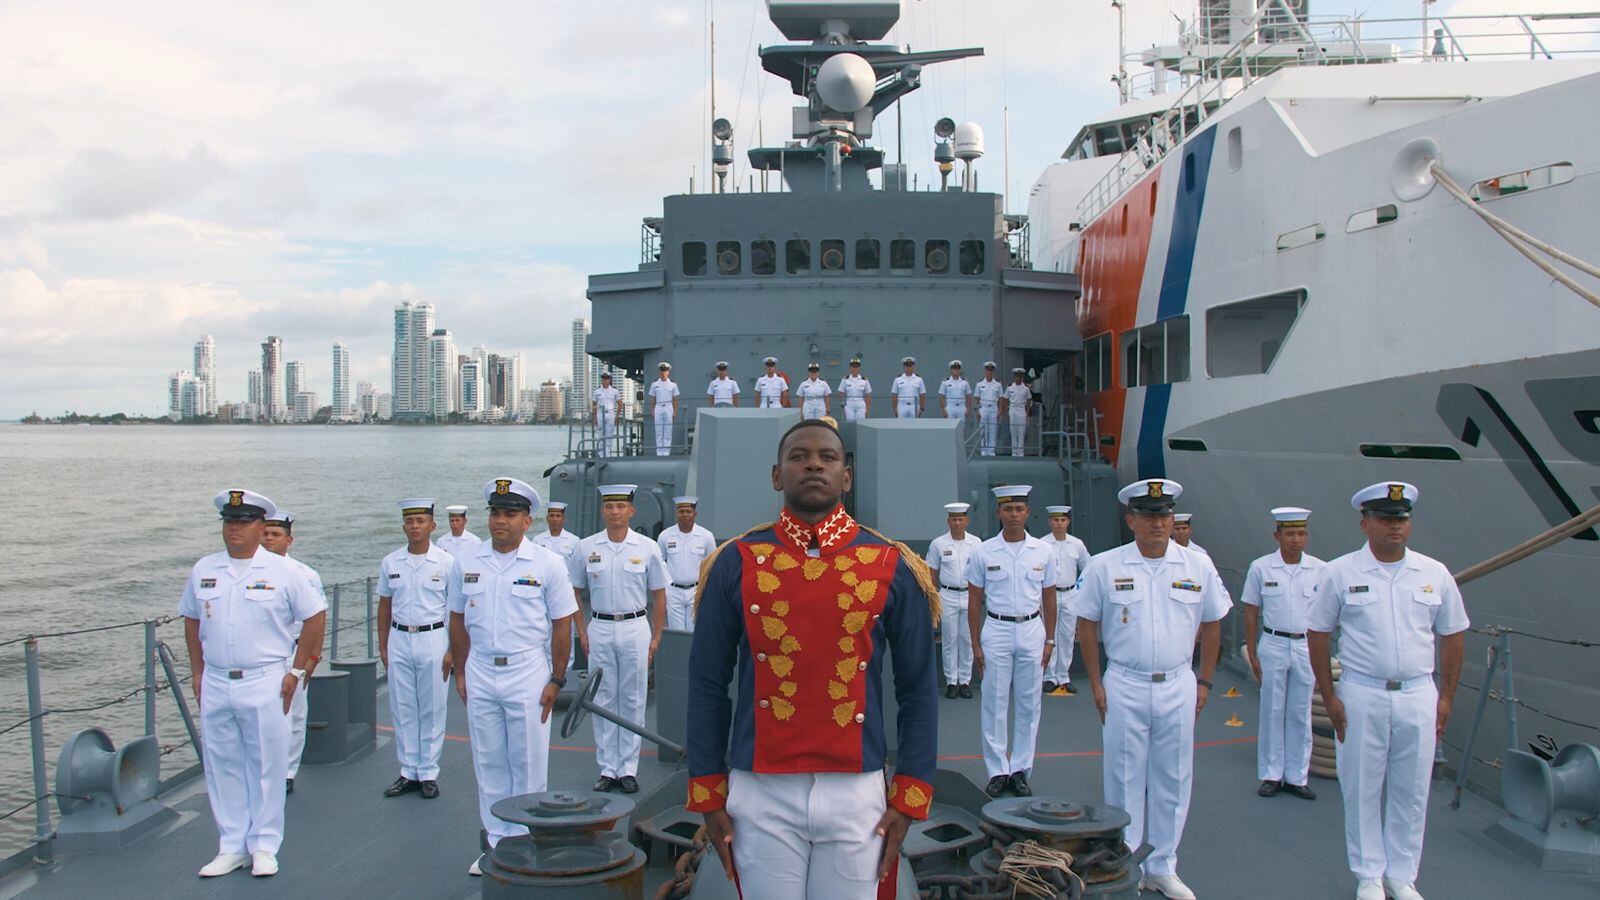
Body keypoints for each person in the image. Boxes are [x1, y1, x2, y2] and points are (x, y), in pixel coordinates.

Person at [687, 419, 940, 899]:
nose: (813, 465)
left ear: (847, 477)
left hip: (857, 790)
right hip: (760, 787)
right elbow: (706, 683)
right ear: (776, 475)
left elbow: (918, 688)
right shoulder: (736, 562)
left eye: (828, 457)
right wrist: (708, 788)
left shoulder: (891, 564)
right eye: (799, 456)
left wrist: (910, 793)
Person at [1070, 478, 1230, 900]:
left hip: (1178, 682)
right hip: (1125, 682)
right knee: (1123, 776)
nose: (1157, 523)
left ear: (1173, 519)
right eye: (1147, 515)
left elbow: (1213, 623)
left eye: (1164, 515)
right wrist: (1096, 682)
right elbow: (1086, 625)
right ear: (1131, 520)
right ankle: (1126, 865)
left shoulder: (1197, 565)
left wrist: (1205, 681)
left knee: (1173, 777)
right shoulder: (1105, 566)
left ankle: (1162, 865)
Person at [1308, 482, 1467, 900]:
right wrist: (1329, 695)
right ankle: (1368, 874)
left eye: (1401, 519)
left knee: (1412, 789)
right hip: (1363, 692)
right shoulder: (1340, 573)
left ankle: (1402, 875)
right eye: (1384, 519)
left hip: (1418, 693)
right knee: (1361, 785)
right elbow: (1318, 632)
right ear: (1365, 524)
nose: (1395, 526)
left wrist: (1446, 697)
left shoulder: (1434, 573)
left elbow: (1453, 634)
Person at [181, 489, 326, 878]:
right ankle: (231, 845)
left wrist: (298, 671)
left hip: (265, 679)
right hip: (217, 680)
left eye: (243, 522)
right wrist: (197, 672)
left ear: (261, 528)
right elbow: (191, 620)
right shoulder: (205, 569)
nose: (234, 529)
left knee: (266, 764)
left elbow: (314, 617)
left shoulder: (285, 572)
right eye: (229, 522)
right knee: (222, 764)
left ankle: (264, 845)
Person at [447, 477, 578, 877]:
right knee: (488, 762)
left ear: (526, 520)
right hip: (481, 668)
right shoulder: (466, 562)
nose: (499, 521)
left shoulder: (547, 564)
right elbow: (457, 618)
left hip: (527, 670)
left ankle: (527, 842)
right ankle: (497, 844)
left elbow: (562, 624)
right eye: (495, 513)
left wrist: (557, 679)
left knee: (527, 763)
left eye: (509, 514)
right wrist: (461, 670)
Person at [569, 484, 669, 794]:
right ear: (603, 510)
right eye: (609, 506)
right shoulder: (586, 547)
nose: (615, 512)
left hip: (635, 627)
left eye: (621, 506)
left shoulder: (647, 547)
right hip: (599, 626)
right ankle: (607, 768)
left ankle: (627, 768)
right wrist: (581, 630)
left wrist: (656, 636)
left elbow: (659, 594)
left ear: (631, 511)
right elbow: (573, 590)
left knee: (633, 697)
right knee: (603, 697)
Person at [967, 485, 1058, 798]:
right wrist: (975, 644)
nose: (1014, 515)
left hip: (1032, 629)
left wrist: (1050, 640)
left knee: (1029, 702)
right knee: (994, 701)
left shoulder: (1043, 552)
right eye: (1008, 509)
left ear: (1028, 512)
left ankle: (1020, 769)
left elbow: (1049, 598)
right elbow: (974, 600)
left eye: (1019, 509)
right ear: (998, 513)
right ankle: (997, 770)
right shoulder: (983, 552)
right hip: (997, 629)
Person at [1242, 506, 1324, 801]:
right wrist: (1252, 652)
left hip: (1305, 645)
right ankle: (1271, 774)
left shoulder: (1321, 570)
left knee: (1301, 712)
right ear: (1277, 536)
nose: (1296, 540)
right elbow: (1250, 611)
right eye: (1290, 534)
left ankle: (1297, 776)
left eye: (1301, 533)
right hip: (1274, 642)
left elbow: (1327, 616)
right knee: (1272, 709)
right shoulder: (1261, 568)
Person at [376, 498, 454, 801]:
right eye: (409, 521)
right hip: (399, 638)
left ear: (432, 525)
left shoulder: (446, 563)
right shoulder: (391, 562)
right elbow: (384, 607)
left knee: (433, 707)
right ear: (403, 526)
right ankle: (409, 770)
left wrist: (452, 651)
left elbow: (456, 609)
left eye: (421, 521)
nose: (415, 526)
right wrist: (383, 645)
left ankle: (428, 772)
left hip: (433, 637)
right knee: (403, 706)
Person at [259, 510, 324, 796]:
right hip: (262, 654)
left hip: (293, 652)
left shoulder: (304, 575)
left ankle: (287, 771)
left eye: (276, 535)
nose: (269, 539)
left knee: (294, 714)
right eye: (265, 534)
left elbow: (318, 617)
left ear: (289, 540)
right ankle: (263, 768)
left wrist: (312, 659)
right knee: (262, 715)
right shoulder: (251, 572)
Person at [925, 502, 981, 699]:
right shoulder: (938, 544)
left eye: (960, 519)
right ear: (948, 521)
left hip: (969, 595)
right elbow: (931, 572)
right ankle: (951, 682)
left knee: (967, 638)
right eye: (954, 519)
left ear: (967, 521)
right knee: (949, 639)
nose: (957, 523)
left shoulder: (976, 543)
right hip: (947, 595)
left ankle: (964, 681)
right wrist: (933, 596)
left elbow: (981, 571)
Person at [1042, 506, 1089, 696]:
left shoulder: (1077, 544)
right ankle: (1049, 676)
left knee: (1067, 636)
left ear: (1068, 522)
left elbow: (1087, 567)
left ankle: (1063, 676)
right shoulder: (1043, 544)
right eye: (1055, 520)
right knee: (1049, 634)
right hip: (1049, 594)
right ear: (1049, 522)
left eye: (1062, 520)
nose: (1059, 524)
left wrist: (1080, 590)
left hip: (1070, 593)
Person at [532, 501, 583, 670]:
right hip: (542, 593)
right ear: (547, 518)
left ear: (563, 518)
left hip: (564, 593)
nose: (554, 519)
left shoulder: (574, 541)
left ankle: (565, 671)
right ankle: (545, 668)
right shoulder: (537, 540)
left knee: (566, 630)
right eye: (551, 516)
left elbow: (576, 570)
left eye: (558, 516)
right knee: (543, 632)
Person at [657, 496, 717, 632]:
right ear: (676, 513)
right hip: (673, 591)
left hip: (695, 590)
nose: (685, 515)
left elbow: (712, 564)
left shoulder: (706, 536)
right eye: (681, 511)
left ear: (695, 514)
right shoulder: (665, 536)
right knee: (676, 631)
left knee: (694, 631)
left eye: (688, 511)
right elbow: (660, 564)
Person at [648, 362, 680, 457]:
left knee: (668, 431)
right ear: (660, 372)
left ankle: (666, 452)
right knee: (658, 431)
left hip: (668, 407)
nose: (663, 373)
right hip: (658, 407)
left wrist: (675, 411)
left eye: (665, 371)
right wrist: (652, 410)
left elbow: (675, 399)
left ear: (668, 372)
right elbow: (653, 399)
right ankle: (659, 452)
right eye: (662, 371)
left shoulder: (673, 385)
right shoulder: (654, 384)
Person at [973, 362, 1004, 456]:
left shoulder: (998, 384)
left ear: (993, 372)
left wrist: (1000, 411)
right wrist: (977, 411)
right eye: (988, 370)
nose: (989, 372)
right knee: (983, 430)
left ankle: (991, 451)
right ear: (985, 371)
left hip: (993, 408)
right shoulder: (979, 384)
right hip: (983, 408)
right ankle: (983, 450)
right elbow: (976, 398)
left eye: (991, 370)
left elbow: (1001, 399)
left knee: (992, 430)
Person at [1001, 368, 1031, 456]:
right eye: (1017, 376)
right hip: (1013, 409)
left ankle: (1020, 453)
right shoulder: (1009, 387)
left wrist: (1027, 411)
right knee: (1013, 432)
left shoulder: (1026, 388)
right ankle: (1014, 453)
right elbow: (1005, 399)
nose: (1018, 378)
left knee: (1021, 433)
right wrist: (1006, 411)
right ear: (1014, 377)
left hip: (1021, 410)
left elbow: (1029, 399)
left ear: (1022, 377)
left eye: (1020, 376)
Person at [593, 372, 621, 457]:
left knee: (609, 435)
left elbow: (620, 403)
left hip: (610, 413)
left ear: (610, 380)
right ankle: (601, 455)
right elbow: (594, 404)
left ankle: (607, 454)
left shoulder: (615, 391)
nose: (605, 380)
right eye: (603, 378)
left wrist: (617, 416)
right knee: (601, 435)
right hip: (600, 414)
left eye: (607, 378)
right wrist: (594, 417)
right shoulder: (597, 392)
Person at [837, 357, 872, 422]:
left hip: (860, 405)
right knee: (850, 423)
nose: (855, 368)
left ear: (859, 368)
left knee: (861, 423)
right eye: (853, 366)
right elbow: (841, 393)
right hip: (849, 405)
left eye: (856, 366)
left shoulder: (864, 380)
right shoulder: (845, 380)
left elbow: (868, 394)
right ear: (850, 367)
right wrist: (843, 406)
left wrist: (867, 408)